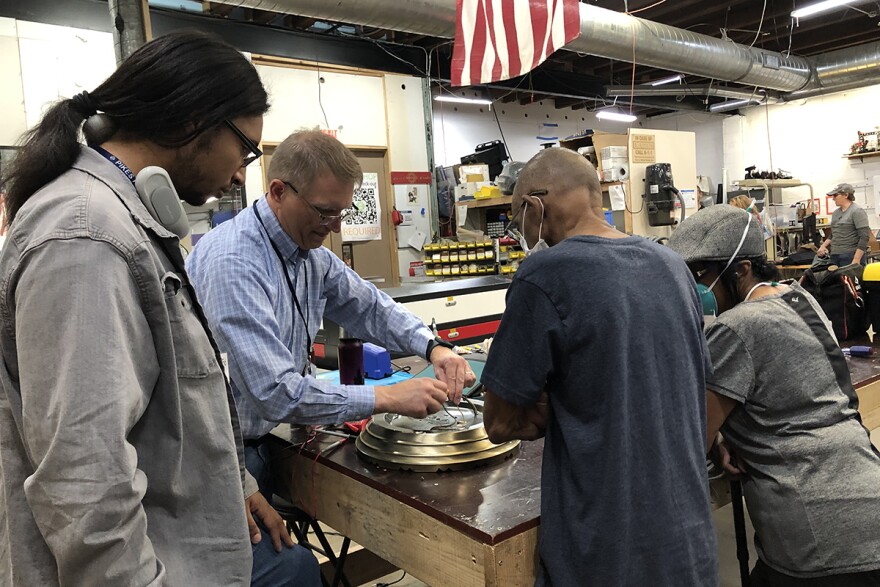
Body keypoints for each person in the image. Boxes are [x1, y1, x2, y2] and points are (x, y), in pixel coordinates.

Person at [0, 31, 321, 586]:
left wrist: (238, 489)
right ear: (192, 120)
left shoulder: (126, 220)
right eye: (244, 148)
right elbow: (83, 478)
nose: (244, 172)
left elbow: (168, 410)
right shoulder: (86, 238)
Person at [186, 130, 474, 505]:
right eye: (325, 212)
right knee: (289, 564)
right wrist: (386, 396)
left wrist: (434, 348)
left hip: (271, 440)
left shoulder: (309, 255)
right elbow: (276, 393)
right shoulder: (234, 262)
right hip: (224, 460)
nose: (336, 226)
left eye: (342, 212)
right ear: (278, 192)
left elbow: (369, 306)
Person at [479, 148, 718, 586]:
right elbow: (687, 381)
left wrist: (552, 406)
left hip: (604, 553)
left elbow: (498, 420)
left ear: (534, 206)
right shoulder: (672, 266)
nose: (521, 234)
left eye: (518, 221)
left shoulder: (543, 276)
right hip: (689, 545)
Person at [667, 204, 880, 586]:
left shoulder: (736, 326)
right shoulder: (799, 298)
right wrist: (729, 434)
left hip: (817, 531)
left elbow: (690, 440)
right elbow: (781, 394)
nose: (696, 287)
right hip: (865, 494)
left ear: (742, 270)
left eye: (703, 274)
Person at [817, 182, 870, 266]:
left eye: (835, 195)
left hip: (850, 255)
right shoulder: (836, 213)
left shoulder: (857, 211)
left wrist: (856, 259)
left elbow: (864, 237)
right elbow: (833, 234)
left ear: (845, 195)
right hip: (834, 255)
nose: (833, 198)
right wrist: (823, 246)